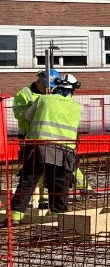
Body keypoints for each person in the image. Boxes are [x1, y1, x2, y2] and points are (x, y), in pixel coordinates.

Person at [10, 72, 82, 220]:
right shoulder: (77, 107)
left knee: (28, 181)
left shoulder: (43, 100)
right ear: (72, 91)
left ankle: (15, 217)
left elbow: (27, 117)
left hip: (38, 147)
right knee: (59, 185)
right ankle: (58, 218)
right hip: (64, 151)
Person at [12, 69, 53, 134]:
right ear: (38, 81)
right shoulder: (23, 94)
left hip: (45, 134)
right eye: (45, 86)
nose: (48, 89)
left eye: (51, 87)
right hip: (27, 135)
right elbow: (18, 115)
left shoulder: (51, 94)